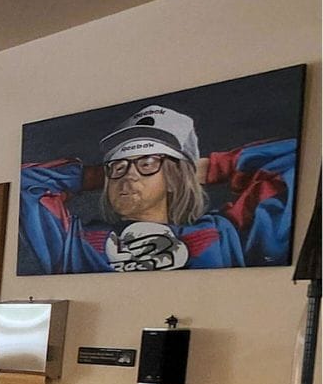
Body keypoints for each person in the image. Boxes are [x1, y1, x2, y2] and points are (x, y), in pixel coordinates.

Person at [19, 103, 297, 275]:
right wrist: (95, 175)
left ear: (176, 175)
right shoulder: (74, 244)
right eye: (118, 165)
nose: (128, 175)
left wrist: (212, 167)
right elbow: (27, 184)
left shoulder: (226, 235)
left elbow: (292, 163)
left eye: (148, 162)